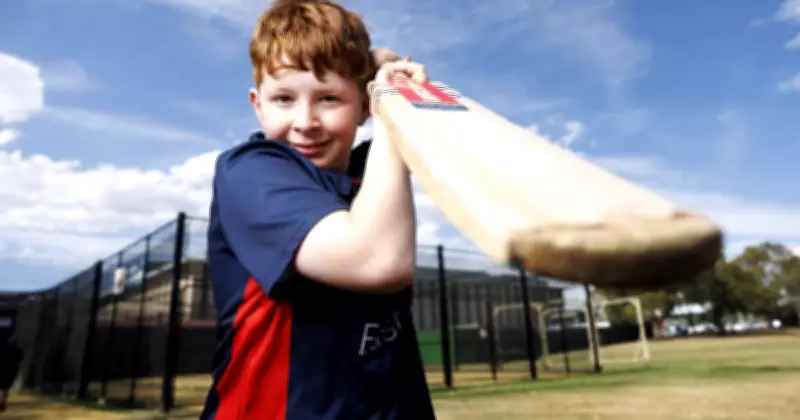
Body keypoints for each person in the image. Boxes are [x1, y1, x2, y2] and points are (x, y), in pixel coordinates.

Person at [199, 0, 436, 419]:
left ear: (362, 106)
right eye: (284, 99)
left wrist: (382, 72)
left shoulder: (375, 171)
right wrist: (386, 104)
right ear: (258, 104)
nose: (306, 121)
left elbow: (386, 83)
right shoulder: (252, 171)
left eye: (328, 99)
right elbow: (376, 261)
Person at [0, 334, 23, 412]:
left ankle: (2, 401)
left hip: (4, 371)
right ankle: (3, 401)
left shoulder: (4, 350)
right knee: (5, 388)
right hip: (11, 372)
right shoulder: (17, 351)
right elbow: (20, 359)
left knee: (4, 388)